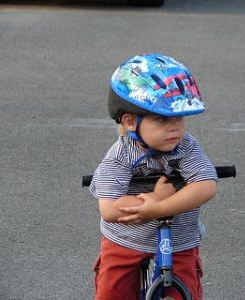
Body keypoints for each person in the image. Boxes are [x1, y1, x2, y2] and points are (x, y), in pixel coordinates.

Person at [90, 53, 218, 300]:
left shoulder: (187, 146)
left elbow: (205, 186)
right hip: (125, 240)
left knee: (187, 293)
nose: (174, 128)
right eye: (161, 119)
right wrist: (151, 201)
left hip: (179, 241)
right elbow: (109, 209)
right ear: (129, 121)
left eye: (178, 118)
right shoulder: (120, 156)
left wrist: (161, 206)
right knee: (112, 292)